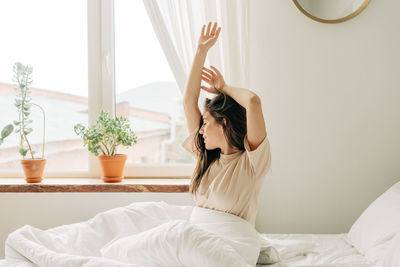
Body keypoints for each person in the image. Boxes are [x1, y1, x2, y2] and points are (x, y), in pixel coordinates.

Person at [182, 21, 272, 266]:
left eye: (206, 122)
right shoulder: (206, 156)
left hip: (231, 248)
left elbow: (252, 101)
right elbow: (189, 101)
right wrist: (201, 51)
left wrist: (223, 88)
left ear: (224, 123)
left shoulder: (252, 163)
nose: (200, 130)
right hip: (198, 245)